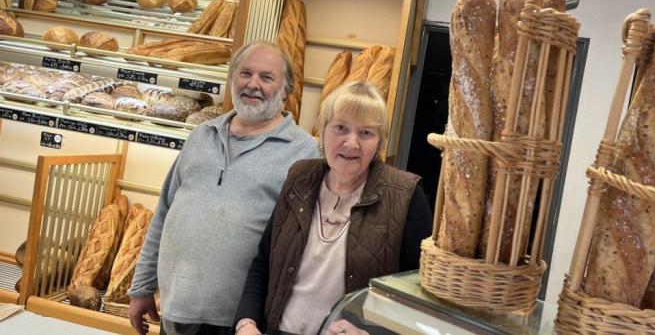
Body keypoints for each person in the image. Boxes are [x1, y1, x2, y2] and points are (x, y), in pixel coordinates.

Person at [128, 41, 320, 335]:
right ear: (232, 79)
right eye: (245, 73)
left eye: (266, 77)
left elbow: (303, 249)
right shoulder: (201, 135)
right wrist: (141, 286)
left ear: (286, 89)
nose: (253, 84)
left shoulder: (305, 153)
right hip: (176, 311)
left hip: (242, 323)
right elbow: (164, 213)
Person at [234, 81, 433, 335]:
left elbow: (420, 293)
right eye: (340, 128)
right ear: (322, 130)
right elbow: (263, 262)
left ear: (379, 142)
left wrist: (371, 333)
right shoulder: (299, 179)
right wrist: (246, 322)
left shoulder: (405, 195)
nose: (351, 143)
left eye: (366, 133)